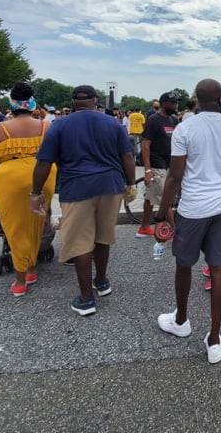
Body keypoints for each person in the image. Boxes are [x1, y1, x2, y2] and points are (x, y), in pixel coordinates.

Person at [154, 79, 221, 364]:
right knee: (217, 269)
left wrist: (161, 214)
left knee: (184, 264)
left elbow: (175, 177)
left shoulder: (185, 127)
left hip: (193, 208)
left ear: (196, 99)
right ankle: (214, 338)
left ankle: (181, 320)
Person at [31, 85, 136, 316]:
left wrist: (35, 192)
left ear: (73, 102)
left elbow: (43, 162)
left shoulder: (59, 125)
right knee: (103, 237)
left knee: (80, 242)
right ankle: (101, 281)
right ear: (96, 101)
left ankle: (86, 298)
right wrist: (130, 184)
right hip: (110, 185)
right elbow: (127, 156)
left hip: (77, 186)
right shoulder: (112, 123)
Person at [0, 82, 57, 296]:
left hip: (10, 179)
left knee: (15, 227)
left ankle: (20, 281)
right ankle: (32, 268)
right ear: (33, 103)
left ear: (12, 104)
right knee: (37, 222)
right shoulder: (46, 126)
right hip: (43, 177)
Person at [139, 92, 179, 236]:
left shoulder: (174, 120)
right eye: (172, 103)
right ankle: (176, 232)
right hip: (157, 165)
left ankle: (144, 228)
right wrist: (147, 170)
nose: (175, 105)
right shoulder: (154, 120)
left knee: (150, 197)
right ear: (163, 104)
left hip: (169, 164)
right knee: (165, 197)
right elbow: (145, 145)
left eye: (176, 102)